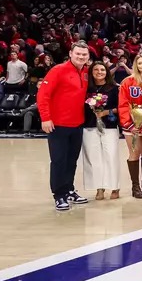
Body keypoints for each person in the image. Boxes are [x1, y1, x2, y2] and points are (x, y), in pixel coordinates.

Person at [37, 40, 92, 211]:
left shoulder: (85, 72)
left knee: (72, 161)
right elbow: (42, 95)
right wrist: (46, 118)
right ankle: (59, 195)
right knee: (59, 160)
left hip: (77, 124)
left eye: (84, 54)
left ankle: (69, 189)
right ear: (71, 54)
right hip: (57, 125)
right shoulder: (58, 70)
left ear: (88, 56)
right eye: (78, 54)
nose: (81, 57)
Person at [118, 53, 142, 199]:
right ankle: (135, 187)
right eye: (140, 63)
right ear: (136, 65)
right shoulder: (128, 82)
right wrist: (128, 123)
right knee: (134, 154)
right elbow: (122, 104)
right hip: (132, 125)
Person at [81, 60, 122, 199]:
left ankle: (114, 187)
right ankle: (99, 187)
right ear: (91, 72)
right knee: (93, 158)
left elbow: (120, 108)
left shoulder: (114, 88)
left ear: (107, 72)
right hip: (90, 126)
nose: (99, 72)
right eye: (96, 70)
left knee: (111, 156)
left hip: (109, 126)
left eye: (102, 70)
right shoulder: (86, 89)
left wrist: (106, 112)